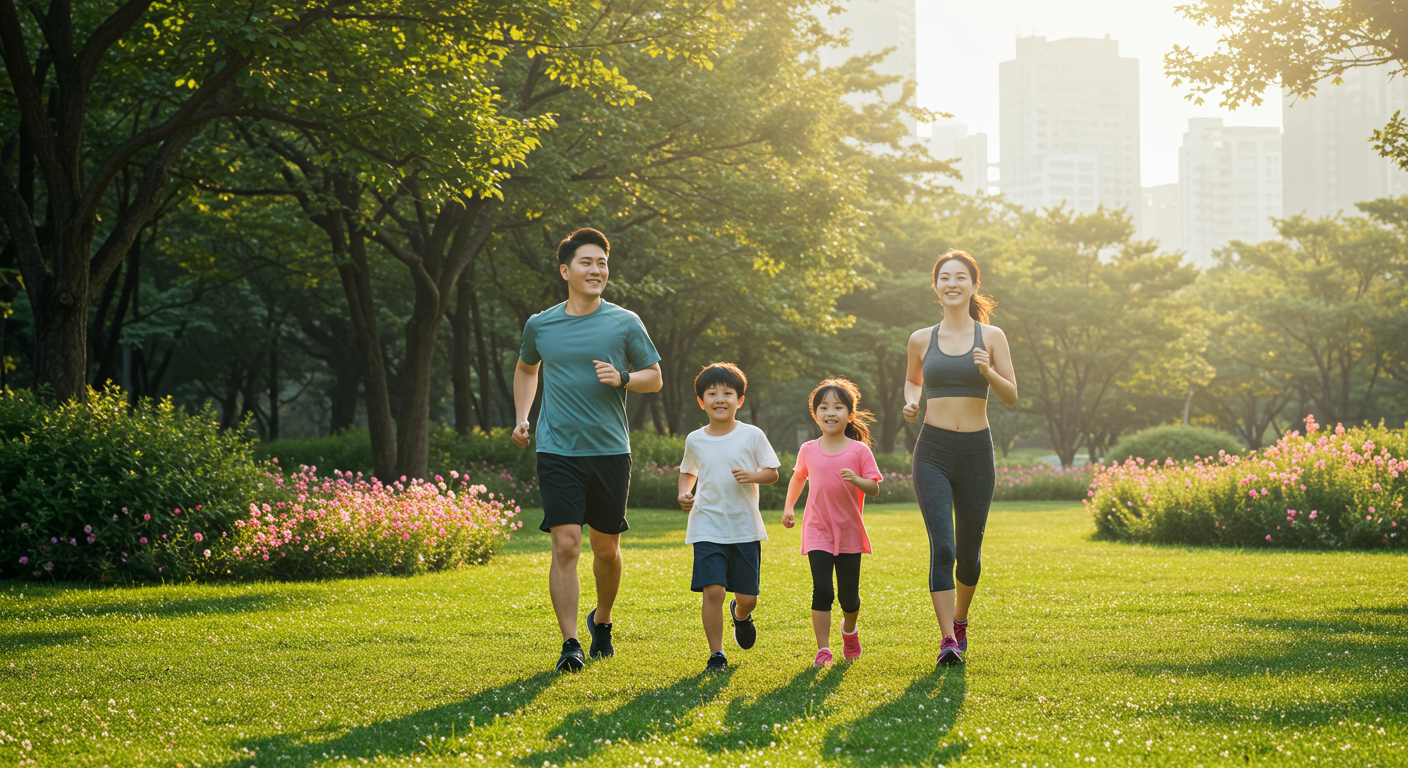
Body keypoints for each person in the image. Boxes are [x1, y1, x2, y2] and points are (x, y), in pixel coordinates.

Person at [512, 227, 663, 673]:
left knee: (605, 548)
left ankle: (603, 620)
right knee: (565, 545)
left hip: (610, 451)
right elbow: (526, 368)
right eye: (586, 262)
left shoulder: (624, 321)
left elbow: (653, 377)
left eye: (601, 262)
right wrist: (523, 416)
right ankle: (570, 643)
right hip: (557, 450)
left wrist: (622, 379)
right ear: (565, 270)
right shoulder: (541, 324)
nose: (596, 270)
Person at [902, 249, 1017, 667]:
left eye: (960, 277)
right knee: (943, 545)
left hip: (975, 452)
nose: (952, 283)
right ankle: (948, 639)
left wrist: (987, 372)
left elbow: (1011, 395)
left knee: (969, 553)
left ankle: (962, 619)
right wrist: (911, 403)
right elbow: (913, 382)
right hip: (932, 450)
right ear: (936, 287)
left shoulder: (992, 337)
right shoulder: (920, 338)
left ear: (973, 286)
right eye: (945, 277)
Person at [677, 363, 781, 672]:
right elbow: (687, 471)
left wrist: (752, 475)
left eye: (727, 393)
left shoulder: (752, 435)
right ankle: (717, 654)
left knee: (747, 596)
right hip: (706, 525)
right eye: (712, 393)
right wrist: (685, 492)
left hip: (744, 528)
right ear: (701, 401)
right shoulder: (695, 439)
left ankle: (742, 614)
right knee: (714, 591)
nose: (719, 398)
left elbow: (772, 473)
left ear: (740, 400)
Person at [782, 378, 883, 666]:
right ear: (815, 414)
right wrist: (789, 507)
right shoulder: (808, 449)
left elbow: (874, 488)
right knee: (823, 591)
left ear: (850, 414)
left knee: (849, 598)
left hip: (849, 531)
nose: (830, 412)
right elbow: (799, 476)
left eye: (838, 407)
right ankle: (823, 649)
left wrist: (858, 480)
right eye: (824, 407)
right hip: (818, 530)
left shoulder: (859, 451)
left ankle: (849, 631)